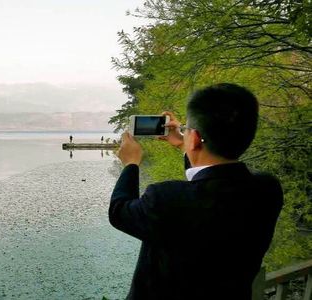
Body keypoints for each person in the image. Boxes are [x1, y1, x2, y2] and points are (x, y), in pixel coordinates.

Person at [109, 83, 283, 300]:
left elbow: (119, 211)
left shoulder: (164, 199)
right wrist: (185, 143)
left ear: (196, 137)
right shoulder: (267, 191)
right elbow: (212, 183)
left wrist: (131, 163)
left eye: (188, 130)